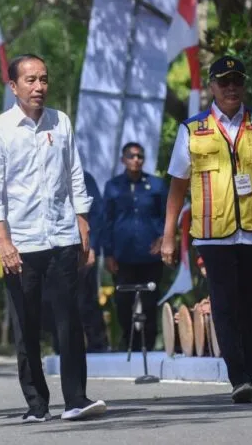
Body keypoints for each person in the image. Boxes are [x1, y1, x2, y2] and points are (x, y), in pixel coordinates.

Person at [0, 54, 107, 423]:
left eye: (44, 80)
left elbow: (75, 175)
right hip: (21, 244)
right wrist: (3, 241)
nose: (39, 87)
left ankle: (76, 399)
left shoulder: (61, 121)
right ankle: (36, 404)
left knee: (69, 320)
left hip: (62, 237)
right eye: (31, 80)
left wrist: (83, 222)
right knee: (27, 325)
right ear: (13, 86)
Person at [161, 55, 252, 403]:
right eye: (224, 81)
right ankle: (238, 376)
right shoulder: (192, 130)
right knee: (224, 305)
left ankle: (248, 372)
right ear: (212, 86)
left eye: (237, 80)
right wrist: (168, 234)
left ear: (244, 84)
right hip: (212, 232)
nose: (231, 87)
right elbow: (177, 186)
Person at [102, 142, 167, 352]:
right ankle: (130, 341)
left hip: (150, 255)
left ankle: (148, 344)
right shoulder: (113, 187)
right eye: (131, 156)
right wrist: (108, 253)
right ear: (123, 159)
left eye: (140, 156)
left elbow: (168, 215)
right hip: (123, 256)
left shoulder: (156, 185)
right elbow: (107, 221)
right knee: (123, 302)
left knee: (149, 302)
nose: (136, 160)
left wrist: (163, 239)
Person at [79, 171, 109, 353]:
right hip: (53, 248)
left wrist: (92, 246)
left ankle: (97, 343)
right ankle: (62, 346)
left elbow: (97, 214)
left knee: (86, 298)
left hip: (81, 247)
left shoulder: (82, 176)